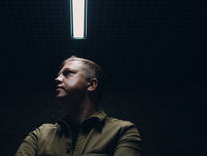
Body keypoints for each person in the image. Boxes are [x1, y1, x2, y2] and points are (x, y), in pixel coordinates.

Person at [15, 56, 143, 155]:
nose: (57, 79)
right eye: (58, 75)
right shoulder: (40, 135)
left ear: (92, 85)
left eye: (68, 73)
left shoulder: (122, 131)